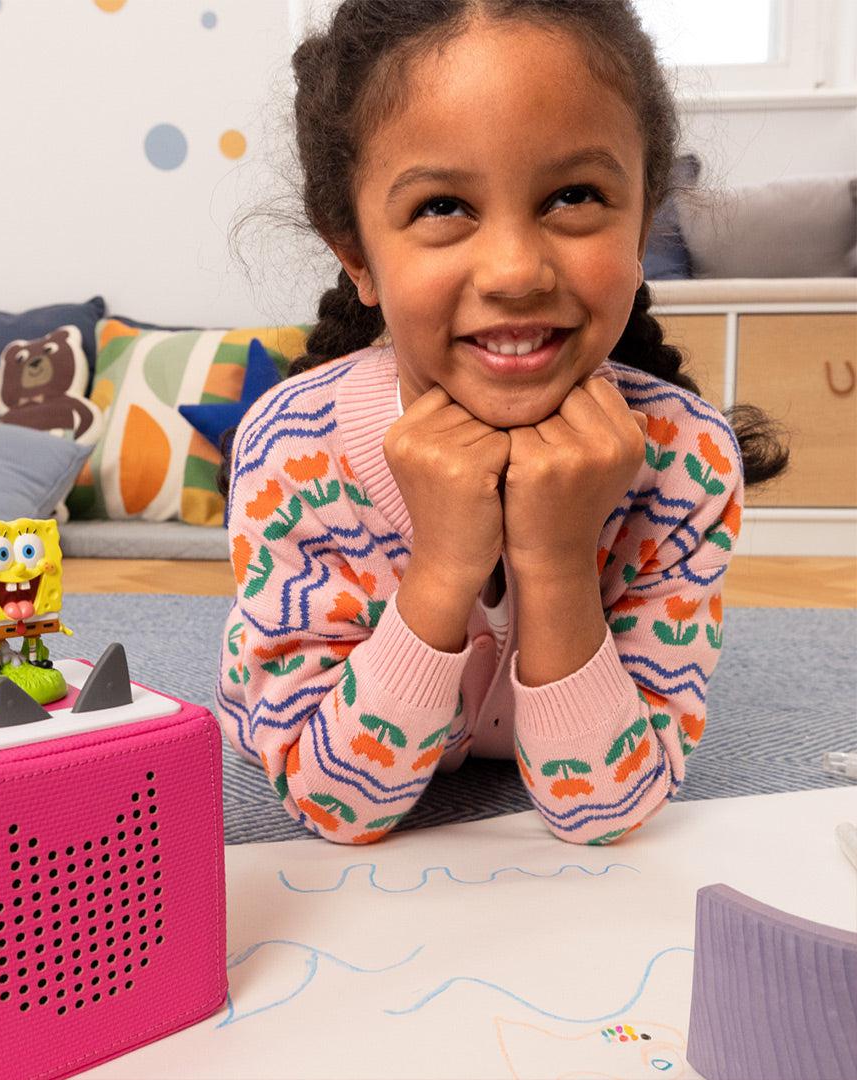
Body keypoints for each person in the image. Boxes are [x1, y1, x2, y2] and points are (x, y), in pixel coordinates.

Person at [213, 0, 788, 845]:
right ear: (358, 254)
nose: (516, 271)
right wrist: (443, 568)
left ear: (642, 223)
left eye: (574, 196)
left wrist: (556, 565)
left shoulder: (686, 462)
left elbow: (608, 812)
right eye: (443, 206)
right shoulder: (290, 451)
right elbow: (334, 806)